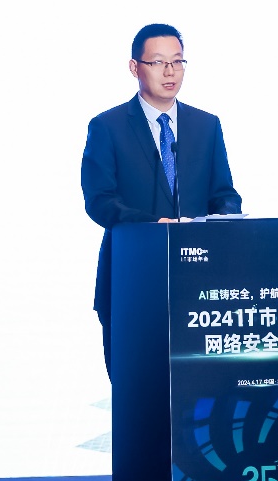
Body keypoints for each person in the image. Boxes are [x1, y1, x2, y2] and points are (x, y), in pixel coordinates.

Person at [81, 23, 242, 376]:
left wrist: (223, 220)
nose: (170, 72)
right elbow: (100, 199)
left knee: (201, 389)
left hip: (200, 282)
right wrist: (153, 226)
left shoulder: (206, 125)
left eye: (178, 61)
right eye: (157, 62)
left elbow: (224, 193)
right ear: (134, 67)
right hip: (131, 277)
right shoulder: (108, 126)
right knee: (137, 389)